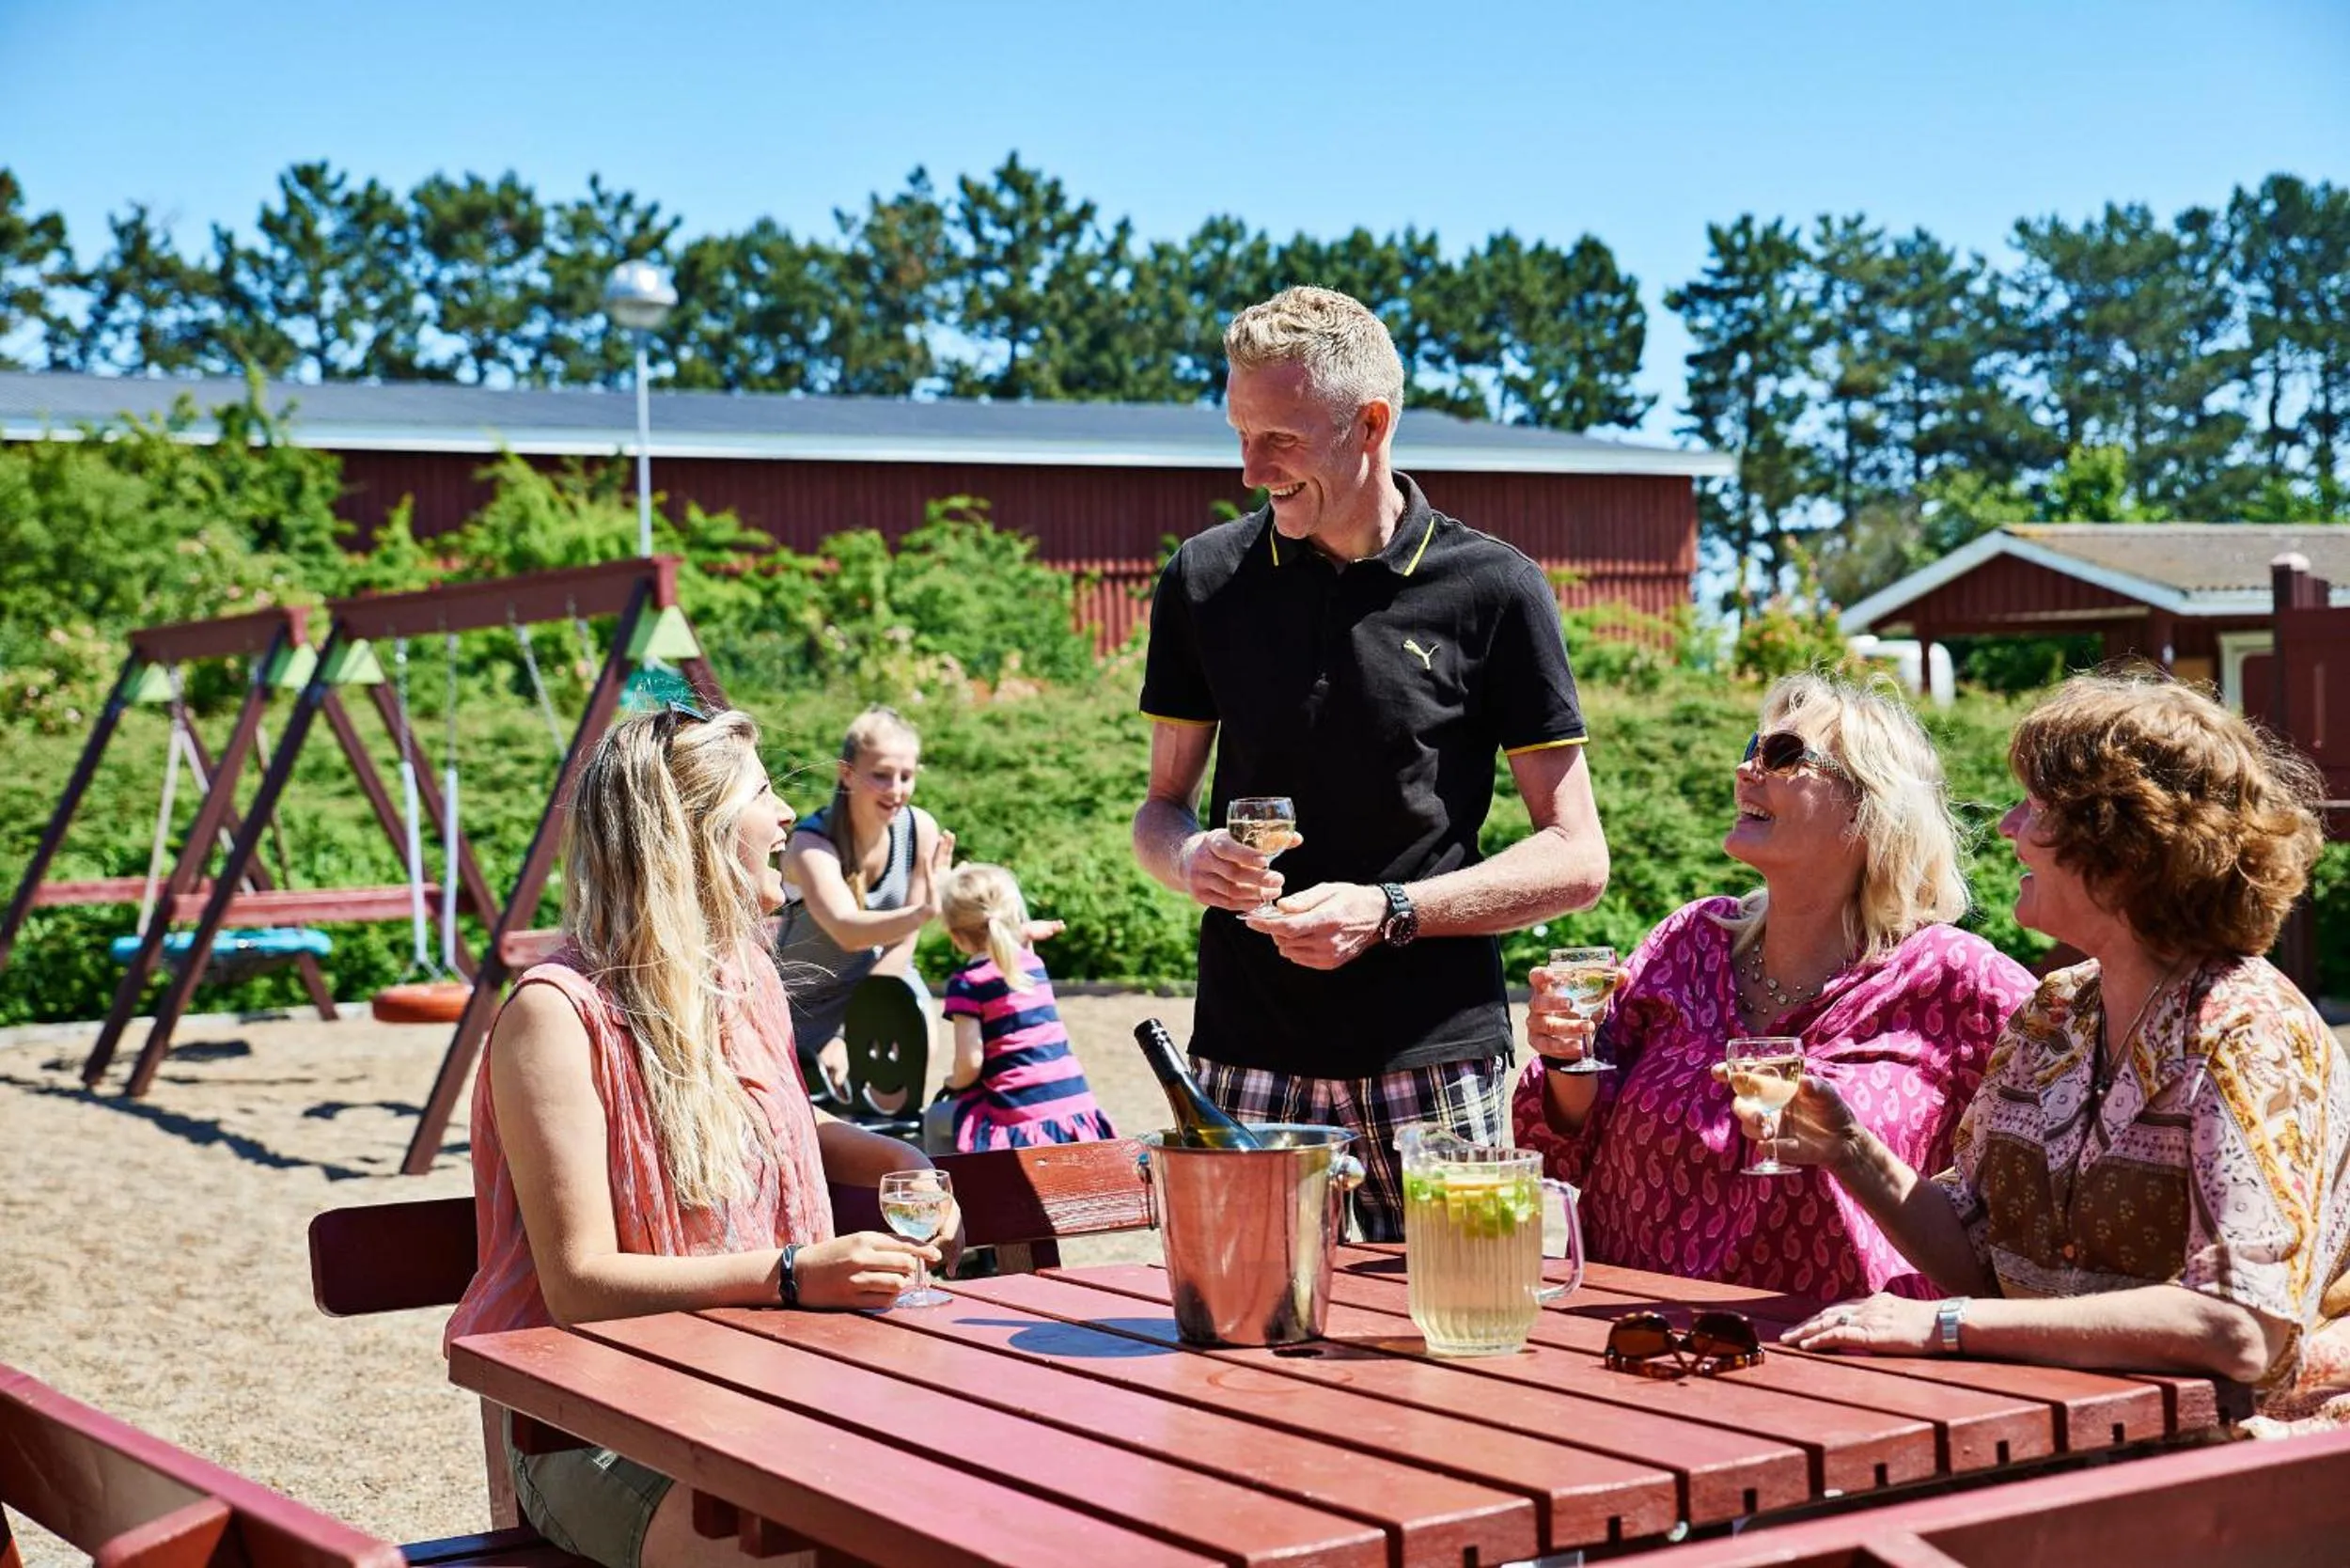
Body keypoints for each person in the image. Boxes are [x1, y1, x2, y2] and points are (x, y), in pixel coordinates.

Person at [1132, 284, 1609, 1240]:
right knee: (1237, 1357)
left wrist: (1387, 913)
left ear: (1371, 424)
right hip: (1243, 1053)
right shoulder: (1203, 580)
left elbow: (1575, 858)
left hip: (1433, 1060)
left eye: (1279, 439)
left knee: (1466, 1344)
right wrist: (1189, 860)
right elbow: (1159, 811)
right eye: (1238, 432)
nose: (1247, 470)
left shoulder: (1494, 589)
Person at [1756, 673, 2350, 1437]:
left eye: (2034, 808)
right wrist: (1848, 1150)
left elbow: (2239, 1326)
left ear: (2123, 847)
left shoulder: (2248, 1032)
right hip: (2063, 1442)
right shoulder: (2058, 1012)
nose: (2006, 826)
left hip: (2243, 1472)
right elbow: (1973, 1248)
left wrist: (1945, 1326)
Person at [445, 705, 955, 1568]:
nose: (790, 817)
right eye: (764, 795)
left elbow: (772, 1115)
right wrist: (792, 1274)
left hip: (755, 1386)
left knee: (954, 1503)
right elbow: (578, 1285)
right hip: (590, 1430)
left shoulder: (742, 973)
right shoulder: (554, 1017)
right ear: (692, 832)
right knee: (804, 1554)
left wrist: (897, 1157)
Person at [1512, 672, 2036, 1299]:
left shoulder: (1955, 979)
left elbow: (2058, 1151)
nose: (1747, 770)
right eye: (1749, 749)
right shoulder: (1690, 941)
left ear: (1871, 808)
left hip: (1841, 1369)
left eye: (1782, 755)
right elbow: (1570, 1139)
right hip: (1635, 1345)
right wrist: (1567, 1056)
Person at [776, 706, 951, 1102]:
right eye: (881, 775)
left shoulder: (919, 827)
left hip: (879, 982)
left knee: (906, 1060)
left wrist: (858, 1029)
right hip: (805, 1002)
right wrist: (921, 913)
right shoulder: (811, 844)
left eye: (906, 776)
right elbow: (847, 929)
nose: (896, 789)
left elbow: (903, 943)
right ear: (846, 772)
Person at [924, 861, 1116, 1153]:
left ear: (955, 936)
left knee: (936, 1118)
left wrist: (952, 1081)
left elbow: (970, 1065)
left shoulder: (968, 983)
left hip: (1018, 1121)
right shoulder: (1033, 966)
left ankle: (945, 1192)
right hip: (1076, 1111)